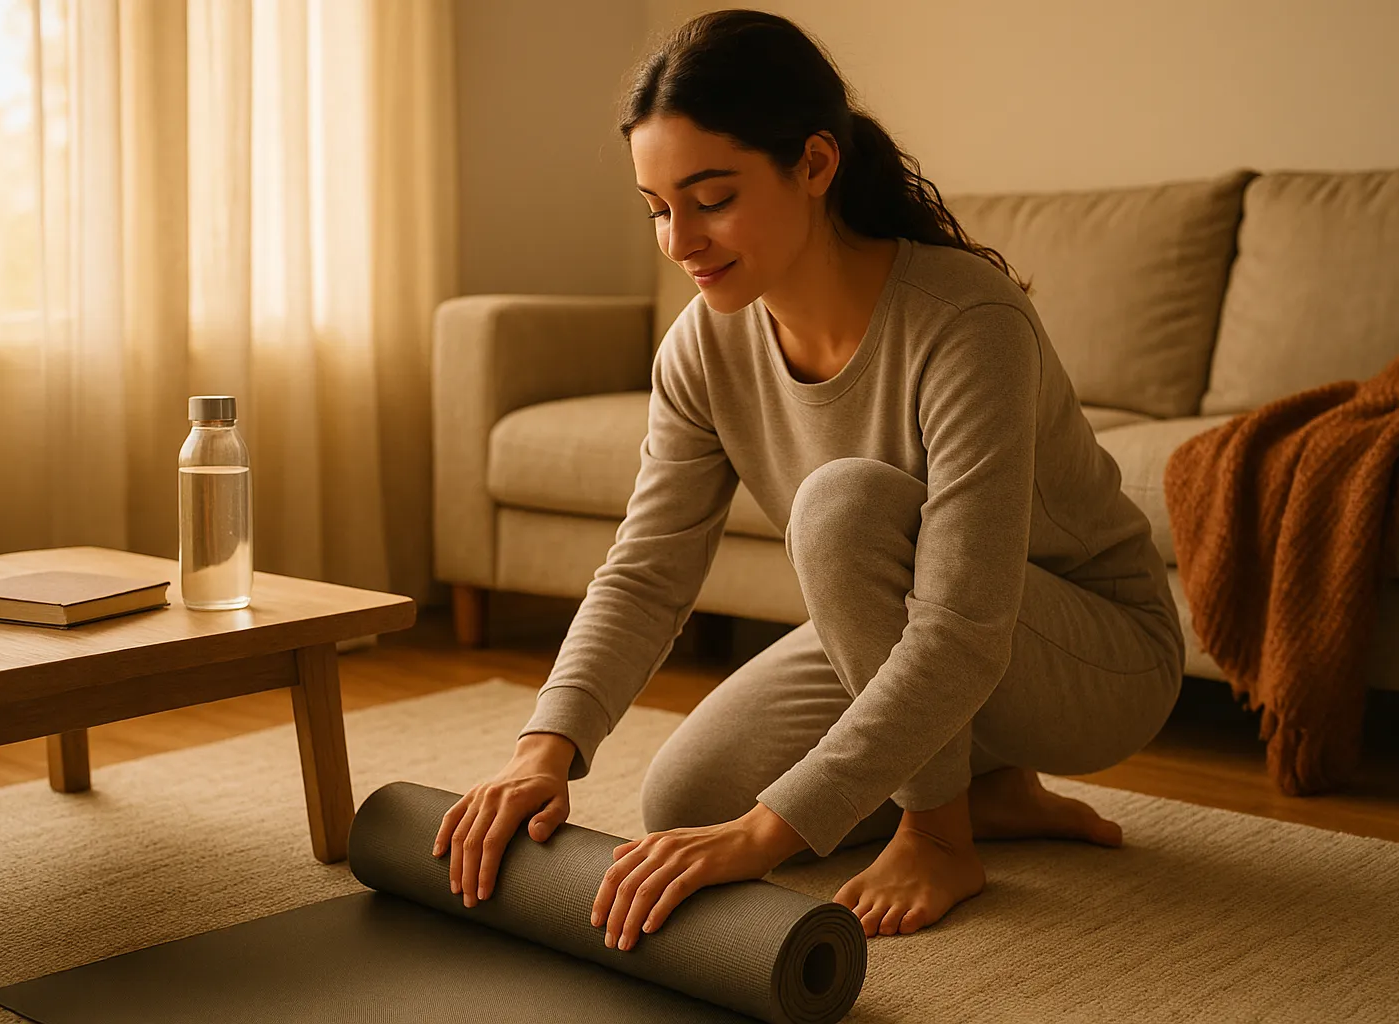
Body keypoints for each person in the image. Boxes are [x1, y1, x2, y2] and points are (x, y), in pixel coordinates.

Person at [434, 9, 1185, 954]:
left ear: (817, 164)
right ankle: (988, 787)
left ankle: (941, 833)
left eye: (711, 199)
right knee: (686, 800)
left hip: (1093, 652)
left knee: (841, 510)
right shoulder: (703, 348)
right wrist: (542, 750)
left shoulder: (967, 322)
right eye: (659, 208)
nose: (680, 241)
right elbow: (647, 572)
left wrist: (768, 835)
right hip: (938, 634)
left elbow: (963, 626)